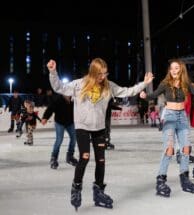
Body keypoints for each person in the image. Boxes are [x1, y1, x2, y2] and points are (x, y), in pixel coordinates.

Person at [47, 58, 153, 210]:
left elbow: (127, 91)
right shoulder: (79, 84)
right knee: (84, 157)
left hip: (99, 128)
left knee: (101, 160)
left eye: (105, 73)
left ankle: (98, 190)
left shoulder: (109, 86)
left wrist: (144, 83)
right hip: (82, 126)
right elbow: (59, 87)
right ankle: (76, 188)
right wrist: (53, 72)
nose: (102, 76)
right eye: (99, 74)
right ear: (92, 72)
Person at [139, 59, 194, 198]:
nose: (173, 70)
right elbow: (153, 95)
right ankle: (160, 180)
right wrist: (144, 95)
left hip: (182, 117)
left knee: (185, 149)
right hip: (170, 116)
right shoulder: (165, 83)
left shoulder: (185, 84)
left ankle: (184, 178)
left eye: (176, 68)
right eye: (172, 68)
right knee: (169, 149)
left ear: (181, 70)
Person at [41, 94, 77, 169]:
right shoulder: (57, 99)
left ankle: (70, 156)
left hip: (70, 122)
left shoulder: (74, 99)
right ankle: (54, 158)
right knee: (59, 140)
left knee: (74, 138)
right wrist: (45, 117)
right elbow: (50, 108)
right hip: (60, 122)